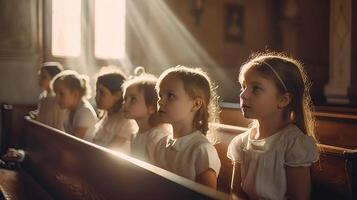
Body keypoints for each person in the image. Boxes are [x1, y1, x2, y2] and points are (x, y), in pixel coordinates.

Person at [227, 52, 319, 200]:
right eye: (243, 86)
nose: (243, 95)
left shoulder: (294, 144)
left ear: (283, 100)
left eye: (256, 88)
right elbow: (236, 192)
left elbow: (298, 197)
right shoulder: (241, 143)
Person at [154, 66, 221, 189]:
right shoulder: (160, 144)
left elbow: (206, 197)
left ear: (196, 104)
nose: (160, 102)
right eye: (160, 95)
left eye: (171, 96)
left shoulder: (201, 150)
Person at [122, 67, 170, 163]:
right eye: (125, 98)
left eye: (133, 99)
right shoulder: (135, 134)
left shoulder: (156, 136)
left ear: (151, 107)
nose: (124, 104)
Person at [93, 69, 138, 154]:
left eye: (102, 93)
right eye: (96, 91)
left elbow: (109, 151)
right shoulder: (106, 116)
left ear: (117, 95)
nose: (96, 97)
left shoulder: (125, 122)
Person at [51, 70, 98, 142]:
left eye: (61, 94)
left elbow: (73, 143)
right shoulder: (68, 110)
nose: (57, 98)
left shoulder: (84, 112)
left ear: (75, 94)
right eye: (55, 93)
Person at [31, 62, 65, 130]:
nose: (40, 79)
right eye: (40, 76)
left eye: (44, 77)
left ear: (54, 78)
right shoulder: (43, 96)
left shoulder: (59, 99)